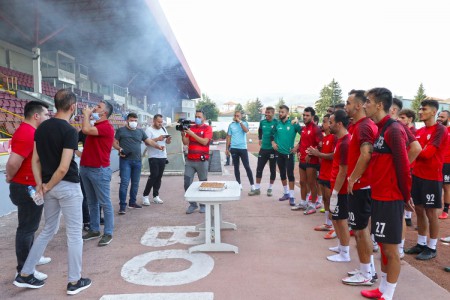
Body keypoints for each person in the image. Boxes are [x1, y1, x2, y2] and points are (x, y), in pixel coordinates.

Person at [13, 89, 91, 295]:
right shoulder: (69, 131)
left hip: (49, 186)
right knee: (74, 235)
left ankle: (26, 272)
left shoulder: (42, 128)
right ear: (73, 107)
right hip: (66, 186)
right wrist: (45, 186)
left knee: (48, 229)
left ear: (56, 105)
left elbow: (35, 160)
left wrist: (42, 184)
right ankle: (75, 281)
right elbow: (64, 167)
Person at [360, 88, 413, 300]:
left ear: (380, 105)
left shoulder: (394, 129)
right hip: (379, 196)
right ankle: (382, 288)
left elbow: (403, 164)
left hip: (391, 198)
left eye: (368, 102)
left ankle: (388, 294)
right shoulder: (381, 129)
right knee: (382, 246)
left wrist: (405, 194)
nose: (365, 105)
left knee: (391, 250)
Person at [6, 101, 50, 282]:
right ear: (36, 116)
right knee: (26, 228)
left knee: (31, 226)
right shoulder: (27, 133)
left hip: (29, 186)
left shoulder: (31, 132)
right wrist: (10, 177)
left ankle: (32, 258)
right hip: (26, 187)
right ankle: (24, 271)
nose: (48, 118)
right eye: (46, 115)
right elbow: (13, 162)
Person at [341, 89, 378, 286]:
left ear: (358, 105)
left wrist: (353, 179)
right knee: (360, 229)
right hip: (361, 185)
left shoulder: (364, 127)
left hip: (362, 186)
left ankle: (366, 274)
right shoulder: (358, 126)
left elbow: (367, 154)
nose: (345, 106)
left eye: (348, 103)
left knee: (361, 231)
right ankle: (367, 269)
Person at [405, 99, 448, 260]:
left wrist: (417, 151)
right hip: (418, 175)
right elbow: (413, 150)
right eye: (420, 109)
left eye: (424, 109)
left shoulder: (440, 130)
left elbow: (427, 154)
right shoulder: (420, 131)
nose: (420, 111)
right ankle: (421, 243)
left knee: (431, 213)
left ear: (433, 112)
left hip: (432, 177)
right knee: (419, 210)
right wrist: (418, 150)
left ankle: (432, 247)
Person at [80, 100, 115, 246]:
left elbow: (85, 130)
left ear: (104, 113)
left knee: (104, 203)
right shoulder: (97, 126)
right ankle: (94, 229)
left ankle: (108, 233)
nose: (94, 108)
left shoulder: (106, 127)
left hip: (99, 169)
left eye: (98, 107)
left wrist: (86, 115)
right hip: (86, 168)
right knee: (91, 202)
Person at [113, 112, 163, 213]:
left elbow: (149, 141)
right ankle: (122, 206)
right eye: (132, 120)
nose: (134, 122)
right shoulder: (121, 131)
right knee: (124, 183)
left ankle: (132, 202)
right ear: (127, 120)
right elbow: (114, 142)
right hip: (125, 160)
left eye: (135, 121)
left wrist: (158, 146)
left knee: (135, 183)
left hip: (137, 161)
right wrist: (119, 149)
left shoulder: (140, 131)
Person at [326, 110, 351, 263]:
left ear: (339, 124)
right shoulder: (340, 141)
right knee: (336, 218)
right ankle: (341, 246)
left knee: (341, 220)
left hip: (340, 189)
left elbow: (344, 170)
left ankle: (345, 253)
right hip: (336, 185)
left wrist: (335, 192)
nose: (329, 125)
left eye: (331, 122)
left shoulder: (346, 142)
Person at [292, 107, 323, 215]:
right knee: (302, 182)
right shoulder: (303, 129)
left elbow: (320, 146)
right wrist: (297, 149)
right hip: (302, 160)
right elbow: (302, 142)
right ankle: (303, 202)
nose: (305, 117)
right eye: (304, 115)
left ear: (312, 117)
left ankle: (313, 205)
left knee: (312, 183)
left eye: (307, 115)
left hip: (312, 161)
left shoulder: (316, 129)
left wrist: (310, 154)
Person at [308, 114, 336, 230]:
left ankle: (333, 225)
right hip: (324, 172)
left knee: (330, 199)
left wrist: (318, 154)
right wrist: (312, 153)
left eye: (325, 122)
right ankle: (327, 223)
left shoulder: (335, 138)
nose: (322, 124)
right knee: (325, 199)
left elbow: (334, 156)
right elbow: (321, 155)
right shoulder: (324, 139)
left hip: (330, 174)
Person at [183, 109, 213, 214]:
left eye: (199, 117)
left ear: (204, 118)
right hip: (190, 160)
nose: (197, 118)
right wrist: (184, 133)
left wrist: (192, 133)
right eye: (196, 116)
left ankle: (203, 205)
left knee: (203, 184)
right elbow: (186, 142)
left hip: (202, 161)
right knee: (187, 182)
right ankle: (192, 204)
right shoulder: (190, 128)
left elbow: (205, 142)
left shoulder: (207, 128)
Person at [271, 105, 302, 206]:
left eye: (282, 112)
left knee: (290, 175)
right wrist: (273, 143)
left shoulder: (293, 124)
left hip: (289, 154)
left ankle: (292, 196)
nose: (280, 114)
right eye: (279, 112)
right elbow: (272, 134)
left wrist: (297, 146)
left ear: (287, 113)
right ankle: (286, 193)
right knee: (282, 174)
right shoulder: (277, 124)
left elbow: (304, 135)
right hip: (279, 153)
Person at [142, 114, 172, 205]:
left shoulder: (163, 129)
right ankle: (145, 196)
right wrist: (157, 139)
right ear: (154, 121)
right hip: (153, 156)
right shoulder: (149, 130)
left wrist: (168, 140)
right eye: (158, 122)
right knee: (153, 175)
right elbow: (147, 143)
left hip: (163, 156)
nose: (160, 123)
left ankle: (156, 196)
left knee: (159, 177)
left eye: (161, 122)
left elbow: (167, 142)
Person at [226, 110, 256, 194]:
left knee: (247, 166)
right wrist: (227, 149)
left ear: (241, 116)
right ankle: (239, 184)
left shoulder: (244, 123)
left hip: (243, 148)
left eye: (238, 116)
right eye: (235, 116)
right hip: (234, 148)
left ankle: (252, 185)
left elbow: (246, 131)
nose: (236, 117)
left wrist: (240, 122)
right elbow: (228, 137)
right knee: (236, 167)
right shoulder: (231, 125)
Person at [254, 106, 278, 196]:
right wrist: (260, 138)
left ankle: (270, 188)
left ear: (273, 113)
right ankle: (257, 188)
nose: (266, 114)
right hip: (263, 149)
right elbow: (260, 130)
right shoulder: (262, 122)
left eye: (268, 113)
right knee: (259, 169)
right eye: (266, 112)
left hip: (272, 150)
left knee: (273, 170)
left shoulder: (277, 123)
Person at [437, 110, 450, 219]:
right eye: (439, 116)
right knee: (435, 187)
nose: (440, 118)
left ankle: (445, 209)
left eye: (442, 117)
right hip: (436, 163)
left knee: (446, 187)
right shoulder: (436, 130)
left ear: (448, 119)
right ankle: (430, 214)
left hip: (447, 163)